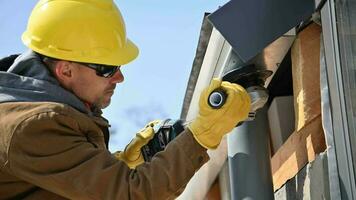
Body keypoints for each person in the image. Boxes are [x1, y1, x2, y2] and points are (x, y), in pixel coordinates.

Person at [0, 0, 251, 199]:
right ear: (65, 70)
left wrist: (121, 164)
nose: (119, 77)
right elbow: (133, 195)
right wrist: (202, 134)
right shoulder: (34, 125)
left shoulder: (33, 111)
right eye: (106, 68)